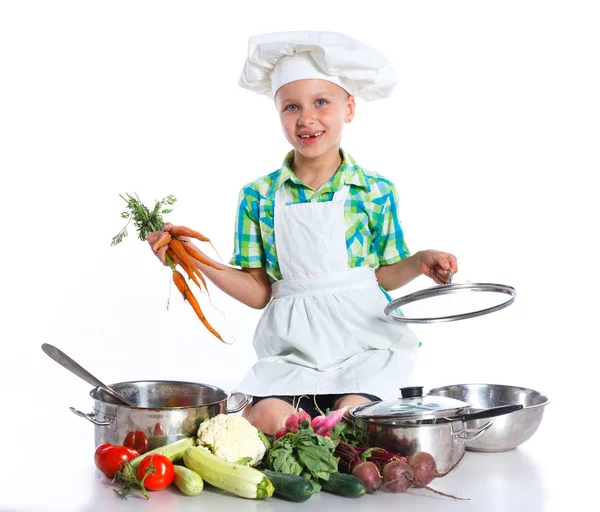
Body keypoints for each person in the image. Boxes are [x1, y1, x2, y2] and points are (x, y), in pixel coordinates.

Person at [148, 31, 458, 435]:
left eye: (321, 103)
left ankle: (343, 419)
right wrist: (195, 258)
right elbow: (260, 293)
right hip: (293, 350)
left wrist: (418, 262)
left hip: (363, 343)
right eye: (291, 106)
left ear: (349, 108)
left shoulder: (375, 190)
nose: (306, 118)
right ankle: (314, 430)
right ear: (277, 113)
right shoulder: (257, 196)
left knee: (358, 411)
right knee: (264, 417)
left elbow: (381, 274)